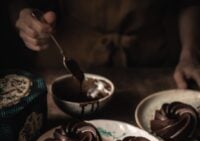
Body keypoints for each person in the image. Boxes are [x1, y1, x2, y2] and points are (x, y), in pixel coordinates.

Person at [10, 0, 200, 89]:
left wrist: (189, 55)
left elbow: (188, 4)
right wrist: (27, 17)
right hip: (64, 63)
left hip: (149, 67)